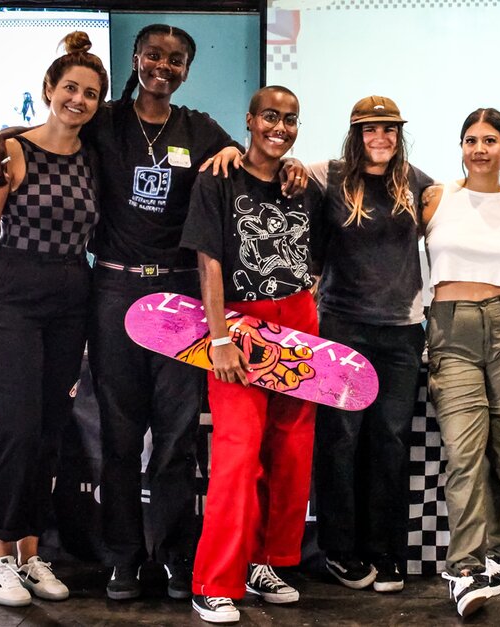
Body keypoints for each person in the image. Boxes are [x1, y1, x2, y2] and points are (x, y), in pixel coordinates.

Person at [0, 24, 252, 601]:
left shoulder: (201, 129)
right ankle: (123, 559)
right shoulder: (105, 120)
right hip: (112, 292)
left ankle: (176, 557)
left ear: (186, 70)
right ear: (136, 59)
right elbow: (51, 128)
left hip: (179, 297)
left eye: (175, 60)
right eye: (153, 55)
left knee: (176, 438)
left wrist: (239, 151)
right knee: (120, 438)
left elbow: (248, 158)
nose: (163, 66)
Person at [0, 32, 108, 607]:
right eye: (70, 88)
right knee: (19, 429)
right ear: (49, 89)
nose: (78, 100)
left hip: (72, 297)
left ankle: (29, 552)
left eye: (90, 93)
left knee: (50, 431)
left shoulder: (93, 156)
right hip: (13, 299)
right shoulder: (9, 153)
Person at [181, 85, 319, 624]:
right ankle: (214, 581)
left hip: (298, 322)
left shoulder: (300, 184)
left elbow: (315, 257)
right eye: (270, 117)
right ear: (250, 119)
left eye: (290, 119)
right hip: (239, 325)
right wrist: (218, 337)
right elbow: (208, 262)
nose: (280, 128)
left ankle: (268, 562)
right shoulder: (218, 178)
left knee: (291, 453)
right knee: (238, 452)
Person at [307, 96, 434, 594]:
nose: (380, 137)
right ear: (355, 134)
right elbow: (279, 169)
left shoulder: (417, 183)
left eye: (389, 129)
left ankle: (386, 551)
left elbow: (472, 197)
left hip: (402, 332)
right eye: (370, 129)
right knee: (340, 439)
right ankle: (341, 550)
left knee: (390, 439)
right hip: (343, 328)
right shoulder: (330, 177)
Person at [422, 108, 500, 617]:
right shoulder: (436, 198)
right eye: (471, 140)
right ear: (461, 147)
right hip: (451, 330)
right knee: (464, 451)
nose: (479, 149)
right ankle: (465, 568)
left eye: (490, 140)